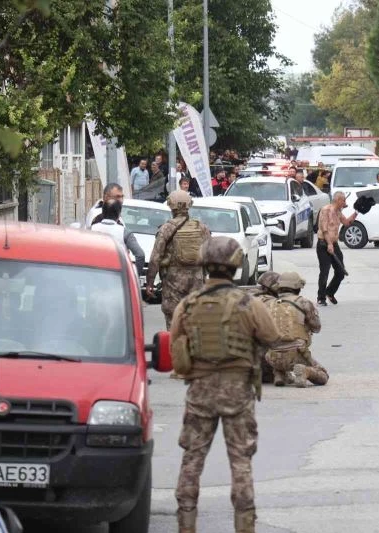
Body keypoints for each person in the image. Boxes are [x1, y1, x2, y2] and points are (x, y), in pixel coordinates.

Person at [170, 236, 283, 533]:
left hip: (200, 392)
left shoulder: (189, 304)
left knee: (192, 460)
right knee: (241, 462)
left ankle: (186, 525)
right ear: (235, 265)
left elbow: (175, 345)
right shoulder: (249, 303)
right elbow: (273, 337)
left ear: (205, 265)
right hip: (238, 391)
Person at [146, 190, 211, 329]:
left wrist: (150, 282)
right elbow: (210, 253)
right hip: (197, 281)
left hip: (173, 283)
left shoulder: (166, 229)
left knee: (173, 320)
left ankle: (175, 348)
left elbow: (155, 257)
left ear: (171, 206)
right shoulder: (201, 227)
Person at [264, 272, 327, 387]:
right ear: (298, 287)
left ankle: (279, 373)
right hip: (296, 354)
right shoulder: (303, 303)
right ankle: (305, 371)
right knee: (323, 376)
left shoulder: (269, 304)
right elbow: (316, 327)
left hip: (272, 356)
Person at [316, 192, 357, 306]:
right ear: (338, 200)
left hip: (334, 244)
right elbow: (324, 229)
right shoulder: (326, 210)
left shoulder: (339, 212)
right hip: (324, 244)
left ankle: (330, 292)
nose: (345, 203)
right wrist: (329, 244)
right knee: (325, 271)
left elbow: (347, 223)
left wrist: (357, 212)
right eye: (343, 200)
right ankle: (321, 297)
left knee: (340, 272)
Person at [91, 199, 145, 275]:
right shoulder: (125, 232)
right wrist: (134, 275)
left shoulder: (91, 230)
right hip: (118, 277)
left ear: (102, 212)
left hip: (94, 274)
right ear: (119, 214)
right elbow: (140, 255)